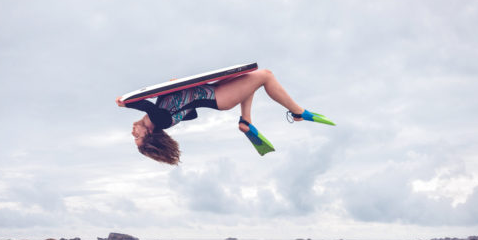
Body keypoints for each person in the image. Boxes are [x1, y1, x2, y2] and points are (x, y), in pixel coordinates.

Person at [115, 69, 334, 165]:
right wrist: (124, 103)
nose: (132, 132)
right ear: (150, 133)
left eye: (134, 136)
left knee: (249, 78)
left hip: (213, 91)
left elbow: (192, 113)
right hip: (219, 97)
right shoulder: (160, 120)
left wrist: (178, 91)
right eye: (136, 137)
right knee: (265, 76)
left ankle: (246, 123)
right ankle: (298, 113)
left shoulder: (162, 118)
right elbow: (141, 103)